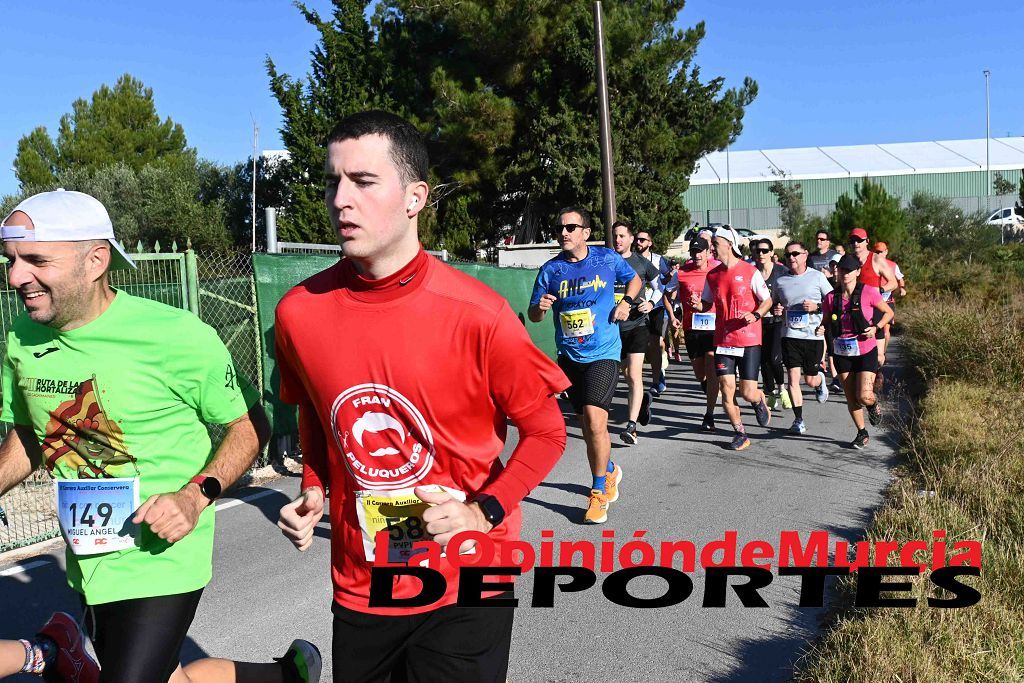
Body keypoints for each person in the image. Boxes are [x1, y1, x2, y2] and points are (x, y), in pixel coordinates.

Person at [274, 111, 570, 681]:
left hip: (467, 579)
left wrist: (483, 511)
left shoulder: (479, 315)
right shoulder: (299, 312)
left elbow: (547, 431)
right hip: (364, 585)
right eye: (333, 181)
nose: (340, 200)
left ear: (414, 198)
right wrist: (314, 486)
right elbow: (313, 409)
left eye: (362, 182)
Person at [0, 190, 320, 683]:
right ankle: (287, 677)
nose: (16, 276)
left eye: (36, 260)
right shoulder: (22, 336)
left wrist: (196, 496)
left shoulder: (175, 335)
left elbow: (249, 424)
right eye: (11, 260)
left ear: (96, 261)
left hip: (164, 551)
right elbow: (30, 433)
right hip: (89, 552)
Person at [530, 208, 639, 522]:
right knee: (589, 427)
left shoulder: (605, 259)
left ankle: (597, 494)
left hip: (603, 351)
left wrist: (626, 303)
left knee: (594, 422)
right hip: (569, 356)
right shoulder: (551, 270)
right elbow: (535, 314)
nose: (563, 233)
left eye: (571, 227)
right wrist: (540, 307)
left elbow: (633, 281)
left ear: (586, 233)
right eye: (560, 228)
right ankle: (609, 469)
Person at [693, 227, 774, 450]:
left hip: (748, 339)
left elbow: (767, 301)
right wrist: (696, 304)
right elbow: (706, 304)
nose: (712, 249)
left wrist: (756, 314)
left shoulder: (750, 272)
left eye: (715, 244)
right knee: (726, 388)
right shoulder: (713, 275)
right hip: (723, 339)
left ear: (728, 244)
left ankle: (758, 399)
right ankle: (740, 432)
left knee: (747, 391)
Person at [819, 254, 894, 449]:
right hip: (842, 352)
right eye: (841, 270)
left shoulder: (868, 292)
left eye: (848, 270)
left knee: (864, 396)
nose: (844, 273)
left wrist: (876, 327)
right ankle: (862, 432)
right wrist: (820, 328)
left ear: (858, 272)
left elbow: (889, 312)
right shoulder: (830, 297)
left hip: (865, 350)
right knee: (851, 397)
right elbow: (826, 321)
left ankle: (872, 405)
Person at [773, 241, 834, 434]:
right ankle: (799, 420)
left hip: (813, 336)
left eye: (795, 254)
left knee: (810, 379)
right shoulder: (781, 281)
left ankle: (820, 380)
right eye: (788, 255)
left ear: (805, 255)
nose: (791, 258)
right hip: (790, 335)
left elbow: (833, 304)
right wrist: (777, 309)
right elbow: (775, 305)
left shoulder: (817, 277)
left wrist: (817, 307)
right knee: (792, 378)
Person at [610, 221, 660, 444]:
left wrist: (650, 303)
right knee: (623, 373)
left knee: (633, 374)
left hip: (638, 325)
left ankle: (631, 427)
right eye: (615, 236)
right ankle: (643, 401)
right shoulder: (606, 261)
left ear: (631, 239)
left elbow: (661, 287)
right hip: (613, 327)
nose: (618, 240)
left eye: (622, 236)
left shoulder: (641, 263)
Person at [664, 236, 720, 431]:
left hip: (714, 327)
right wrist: (672, 316)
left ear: (708, 252)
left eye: (700, 252)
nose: (697, 255)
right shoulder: (681, 273)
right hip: (692, 328)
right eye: (694, 252)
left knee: (712, 368)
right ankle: (710, 390)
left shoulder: (717, 269)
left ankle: (709, 414)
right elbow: (666, 293)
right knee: (700, 374)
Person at [751, 238, 790, 412]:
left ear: (772, 253)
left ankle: (782, 389)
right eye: (758, 251)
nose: (761, 254)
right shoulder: (751, 271)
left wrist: (783, 306)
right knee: (763, 360)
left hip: (777, 322)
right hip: (759, 321)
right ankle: (771, 391)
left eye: (765, 251)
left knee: (775, 358)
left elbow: (791, 293)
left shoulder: (782, 272)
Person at [634, 228, 674, 396]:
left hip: (655, 306)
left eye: (642, 240)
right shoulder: (630, 260)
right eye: (637, 239)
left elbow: (666, 278)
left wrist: (666, 279)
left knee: (655, 343)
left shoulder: (658, 260)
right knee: (643, 346)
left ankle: (656, 380)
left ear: (650, 243)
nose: (638, 242)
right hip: (636, 308)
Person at [872, 241, 907, 392]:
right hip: (874, 303)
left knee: (885, 334)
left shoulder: (893, 265)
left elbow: (900, 279)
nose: (879, 254)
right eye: (877, 252)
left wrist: (902, 288)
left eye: (882, 252)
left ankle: (882, 355)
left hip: (887, 302)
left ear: (886, 252)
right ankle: (874, 357)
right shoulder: (871, 264)